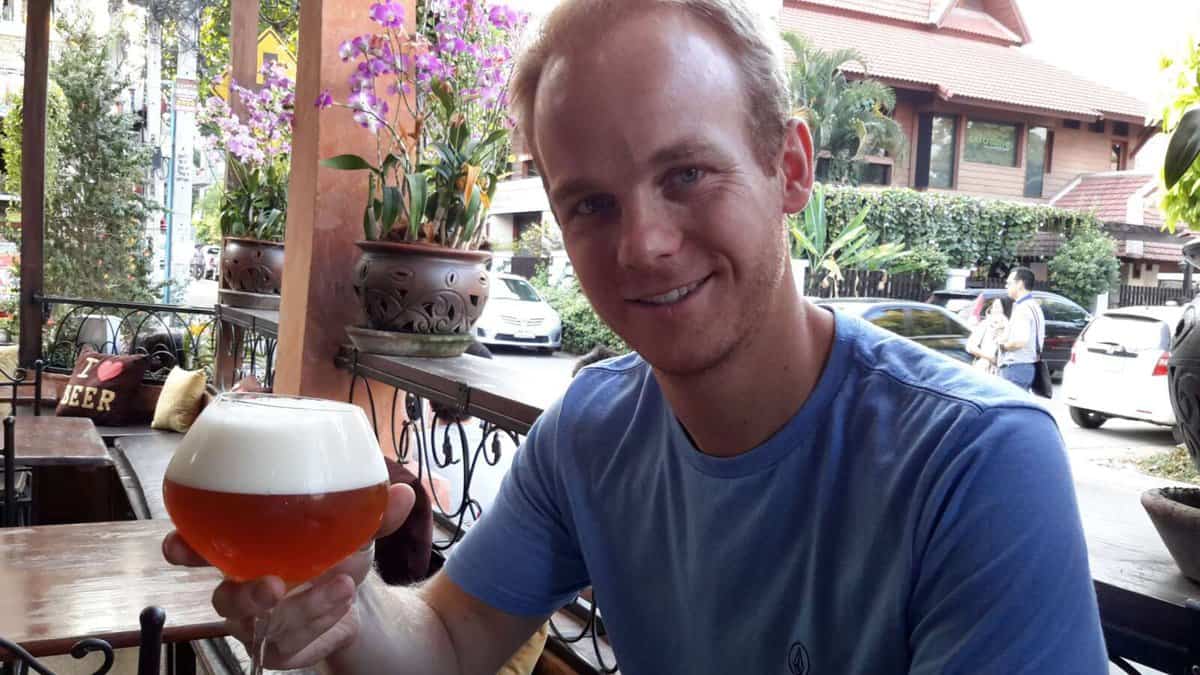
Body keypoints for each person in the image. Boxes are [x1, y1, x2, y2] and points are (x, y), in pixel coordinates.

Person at [163, 1, 1107, 672]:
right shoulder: (594, 430)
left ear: (789, 166)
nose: (643, 244)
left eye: (687, 173)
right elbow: (447, 645)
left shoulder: (980, 464)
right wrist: (346, 597)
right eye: (591, 204)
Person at [999, 266, 1046, 391]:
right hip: (1026, 365)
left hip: (1016, 367)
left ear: (1019, 284)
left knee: (1009, 409)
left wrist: (1002, 346)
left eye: (1009, 283)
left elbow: (1020, 341)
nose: (1006, 286)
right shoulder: (1033, 306)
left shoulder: (1023, 308)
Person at [966, 296, 1012, 375]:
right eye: (993, 307)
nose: (994, 310)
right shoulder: (985, 324)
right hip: (983, 369)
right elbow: (970, 347)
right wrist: (990, 358)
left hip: (1004, 372)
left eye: (998, 307)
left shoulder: (1011, 327)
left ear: (1005, 309)